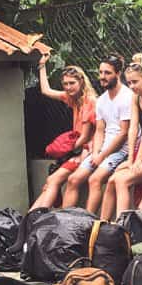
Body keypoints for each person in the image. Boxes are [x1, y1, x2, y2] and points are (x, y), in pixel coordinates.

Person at [62, 55, 132, 213]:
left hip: (122, 150)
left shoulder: (127, 97)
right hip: (102, 149)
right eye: (100, 72)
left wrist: (102, 156)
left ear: (118, 73)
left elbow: (123, 134)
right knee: (73, 179)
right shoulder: (101, 100)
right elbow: (100, 130)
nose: (102, 76)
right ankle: (65, 220)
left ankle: (89, 221)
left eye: (107, 73)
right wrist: (95, 153)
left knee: (95, 179)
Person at [30, 55, 97, 210]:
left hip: (85, 150)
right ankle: (31, 216)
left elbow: (85, 136)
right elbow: (46, 91)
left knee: (54, 180)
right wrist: (42, 66)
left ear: (81, 82)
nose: (68, 87)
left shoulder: (89, 101)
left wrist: (65, 151)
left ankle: (42, 216)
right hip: (76, 148)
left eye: (72, 83)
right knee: (49, 183)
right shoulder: (72, 98)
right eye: (65, 84)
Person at [106, 53, 142, 218]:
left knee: (122, 180)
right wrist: (131, 158)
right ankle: (102, 224)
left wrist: (138, 160)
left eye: (135, 82)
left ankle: (122, 226)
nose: (131, 86)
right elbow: (133, 128)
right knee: (112, 180)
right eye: (129, 83)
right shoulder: (135, 98)